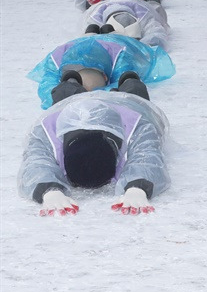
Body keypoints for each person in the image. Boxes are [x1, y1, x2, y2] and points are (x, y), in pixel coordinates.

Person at [18, 85, 171, 216]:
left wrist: (137, 187)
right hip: (68, 106)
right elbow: (36, 162)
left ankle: (129, 81)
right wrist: (49, 190)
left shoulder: (138, 124)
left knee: (134, 90)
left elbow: (147, 155)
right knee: (65, 91)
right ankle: (71, 84)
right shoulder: (46, 130)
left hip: (129, 104)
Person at [28, 32, 175, 109]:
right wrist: (69, 92)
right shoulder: (56, 62)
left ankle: (104, 30)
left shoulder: (120, 57)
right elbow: (47, 91)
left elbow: (123, 79)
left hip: (117, 42)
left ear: (106, 77)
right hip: (76, 48)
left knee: (130, 79)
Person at [83, 0, 170, 50]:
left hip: (143, 5)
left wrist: (140, 47)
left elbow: (157, 35)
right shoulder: (95, 18)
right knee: (91, 30)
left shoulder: (144, 14)